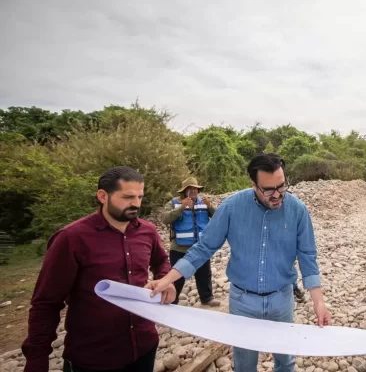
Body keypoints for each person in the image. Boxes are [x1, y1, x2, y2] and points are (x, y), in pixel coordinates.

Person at [146, 153, 332, 372]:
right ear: (253, 184)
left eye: (282, 186)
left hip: (282, 299)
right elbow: (204, 248)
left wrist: (318, 301)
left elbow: (307, 256)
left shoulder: (297, 210)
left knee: (286, 361)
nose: (277, 195)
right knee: (244, 364)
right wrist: (167, 280)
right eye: (269, 189)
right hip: (242, 301)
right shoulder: (232, 207)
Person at [22, 166, 176, 372]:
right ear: (103, 196)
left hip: (144, 346)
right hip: (94, 357)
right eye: (128, 197)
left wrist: (165, 279)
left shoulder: (147, 231)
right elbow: (46, 302)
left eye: (140, 197)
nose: (136, 204)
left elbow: (161, 261)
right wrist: (37, 359)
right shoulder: (71, 238)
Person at [162, 177, 220, 306]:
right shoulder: (173, 203)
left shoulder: (204, 202)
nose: (194, 191)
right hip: (179, 248)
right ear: (184, 191)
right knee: (177, 276)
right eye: (191, 189)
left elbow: (219, 218)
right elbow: (165, 219)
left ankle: (207, 298)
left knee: (204, 273)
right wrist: (182, 207)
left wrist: (210, 207)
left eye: (196, 189)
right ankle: (173, 301)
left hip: (200, 247)